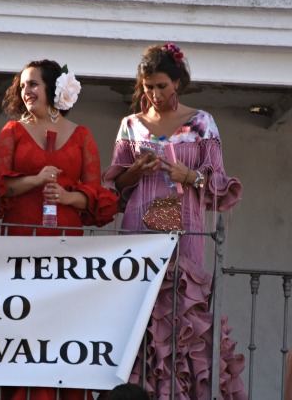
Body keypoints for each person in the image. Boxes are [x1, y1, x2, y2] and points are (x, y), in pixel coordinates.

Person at [102, 43, 246, 399]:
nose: (154, 93)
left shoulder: (202, 123)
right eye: (148, 86)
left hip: (186, 231)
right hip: (139, 230)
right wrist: (134, 171)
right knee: (139, 316)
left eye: (161, 86)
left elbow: (218, 185)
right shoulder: (131, 125)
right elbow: (115, 188)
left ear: (178, 82)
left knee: (182, 317)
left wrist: (190, 176)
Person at [0, 60, 118, 399]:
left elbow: (98, 201)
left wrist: (70, 196)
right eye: (23, 85)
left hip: (64, 244)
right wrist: (35, 180)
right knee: (20, 323)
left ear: (54, 88)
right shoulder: (11, 131)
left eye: (34, 84)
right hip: (21, 241)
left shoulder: (82, 135)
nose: (27, 91)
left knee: (61, 324)